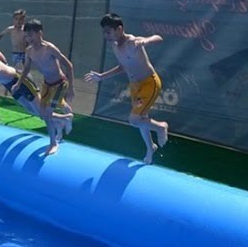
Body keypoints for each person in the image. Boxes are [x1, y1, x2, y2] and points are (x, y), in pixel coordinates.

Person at [84, 13, 169, 164]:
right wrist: (102, 76)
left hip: (149, 83)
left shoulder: (132, 42)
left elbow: (159, 38)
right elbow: (122, 66)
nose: (106, 35)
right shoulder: (115, 45)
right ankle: (150, 148)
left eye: (108, 32)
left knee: (134, 119)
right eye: (104, 32)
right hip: (135, 86)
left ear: (119, 29)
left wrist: (145, 41)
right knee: (142, 118)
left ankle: (161, 127)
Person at [20, 18, 75, 155]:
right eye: (26, 36)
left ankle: (53, 143)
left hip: (60, 83)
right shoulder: (29, 51)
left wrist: (71, 88)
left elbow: (69, 65)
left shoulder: (49, 48)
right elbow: (26, 68)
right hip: (47, 85)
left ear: (39, 33)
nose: (28, 39)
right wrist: (18, 82)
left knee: (48, 113)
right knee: (43, 114)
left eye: (30, 35)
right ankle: (64, 120)